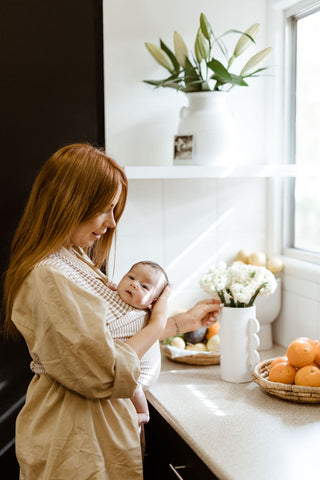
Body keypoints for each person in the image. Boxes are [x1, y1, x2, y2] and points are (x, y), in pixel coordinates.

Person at [2, 143, 222, 480]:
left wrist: (182, 322)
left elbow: (112, 334)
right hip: (75, 439)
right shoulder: (49, 274)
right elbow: (104, 369)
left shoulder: (74, 257)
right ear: (69, 201)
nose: (111, 222)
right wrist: (160, 320)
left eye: (114, 209)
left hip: (92, 433)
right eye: (104, 209)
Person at [108, 260, 169, 425]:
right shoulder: (116, 295)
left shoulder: (143, 315)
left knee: (132, 383)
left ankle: (143, 412)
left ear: (152, 303)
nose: (134, 285)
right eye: (131, 277)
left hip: (142, 372)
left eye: (145, 287)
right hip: (124, 358)